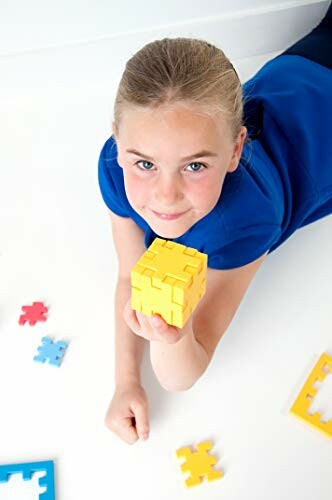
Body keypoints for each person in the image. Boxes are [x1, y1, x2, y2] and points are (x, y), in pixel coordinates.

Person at [97, 3, 332, 444]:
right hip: (300, 74)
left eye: (195, 167)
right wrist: (126, 380)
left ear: (236, 150)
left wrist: (176, 334)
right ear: (117, 140)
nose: (165, 196)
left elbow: (182, 373)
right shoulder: (113, 168)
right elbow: (131, 274)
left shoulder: (243, 221)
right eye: (145, 162)